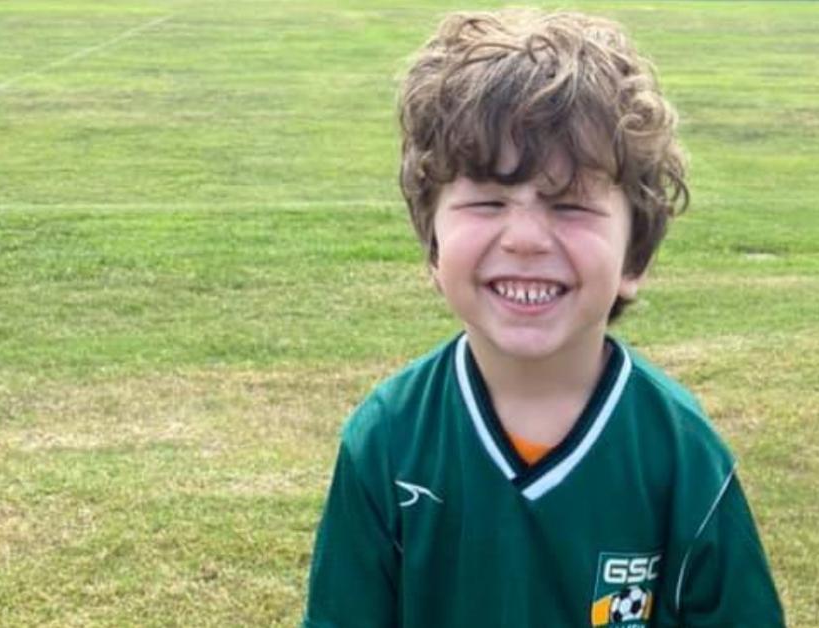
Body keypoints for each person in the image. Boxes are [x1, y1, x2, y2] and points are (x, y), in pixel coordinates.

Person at [303, 9, 785, 627]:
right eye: (487, 201)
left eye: (570, 206)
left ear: (634, 255)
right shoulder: (388, 439)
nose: (525, 237)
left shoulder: (680, 453)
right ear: (433, 245)